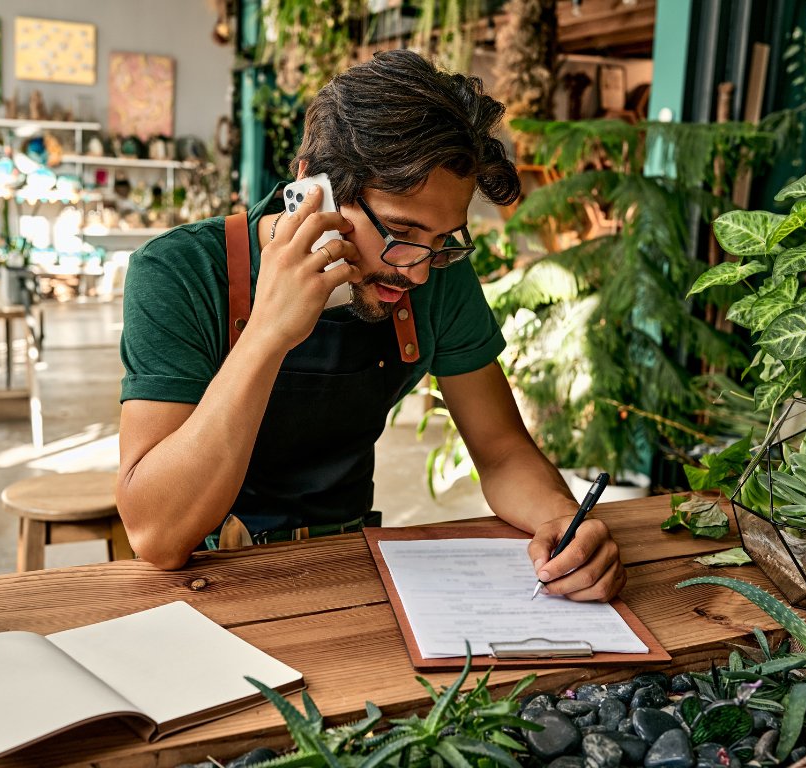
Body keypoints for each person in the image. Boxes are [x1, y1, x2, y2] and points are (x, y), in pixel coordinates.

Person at [117, 50, 626, 601]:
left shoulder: (431, 267)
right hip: (206, 580)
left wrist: (560, 520)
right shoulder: (180, 274)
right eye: (403, 231)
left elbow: (501, 450)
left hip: (355, 566)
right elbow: (158, 534)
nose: (420, 269)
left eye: (443, 239)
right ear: (313, 189)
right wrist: (267, 334)